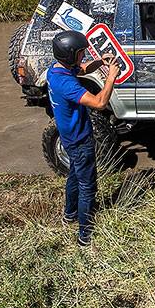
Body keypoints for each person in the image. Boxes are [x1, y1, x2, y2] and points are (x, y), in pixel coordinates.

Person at [46, 30, 117, 247]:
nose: (83, 56)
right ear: (70, 55)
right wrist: (111, 77)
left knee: (74, 176)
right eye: (80, 53)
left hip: (68, 137)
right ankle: (85, 237)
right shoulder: (67, 84)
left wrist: (100, 62)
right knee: (88, 187)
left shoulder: (56, 70)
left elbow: (83, 69)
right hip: (79, 140)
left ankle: (69, 215)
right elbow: (99, 103)